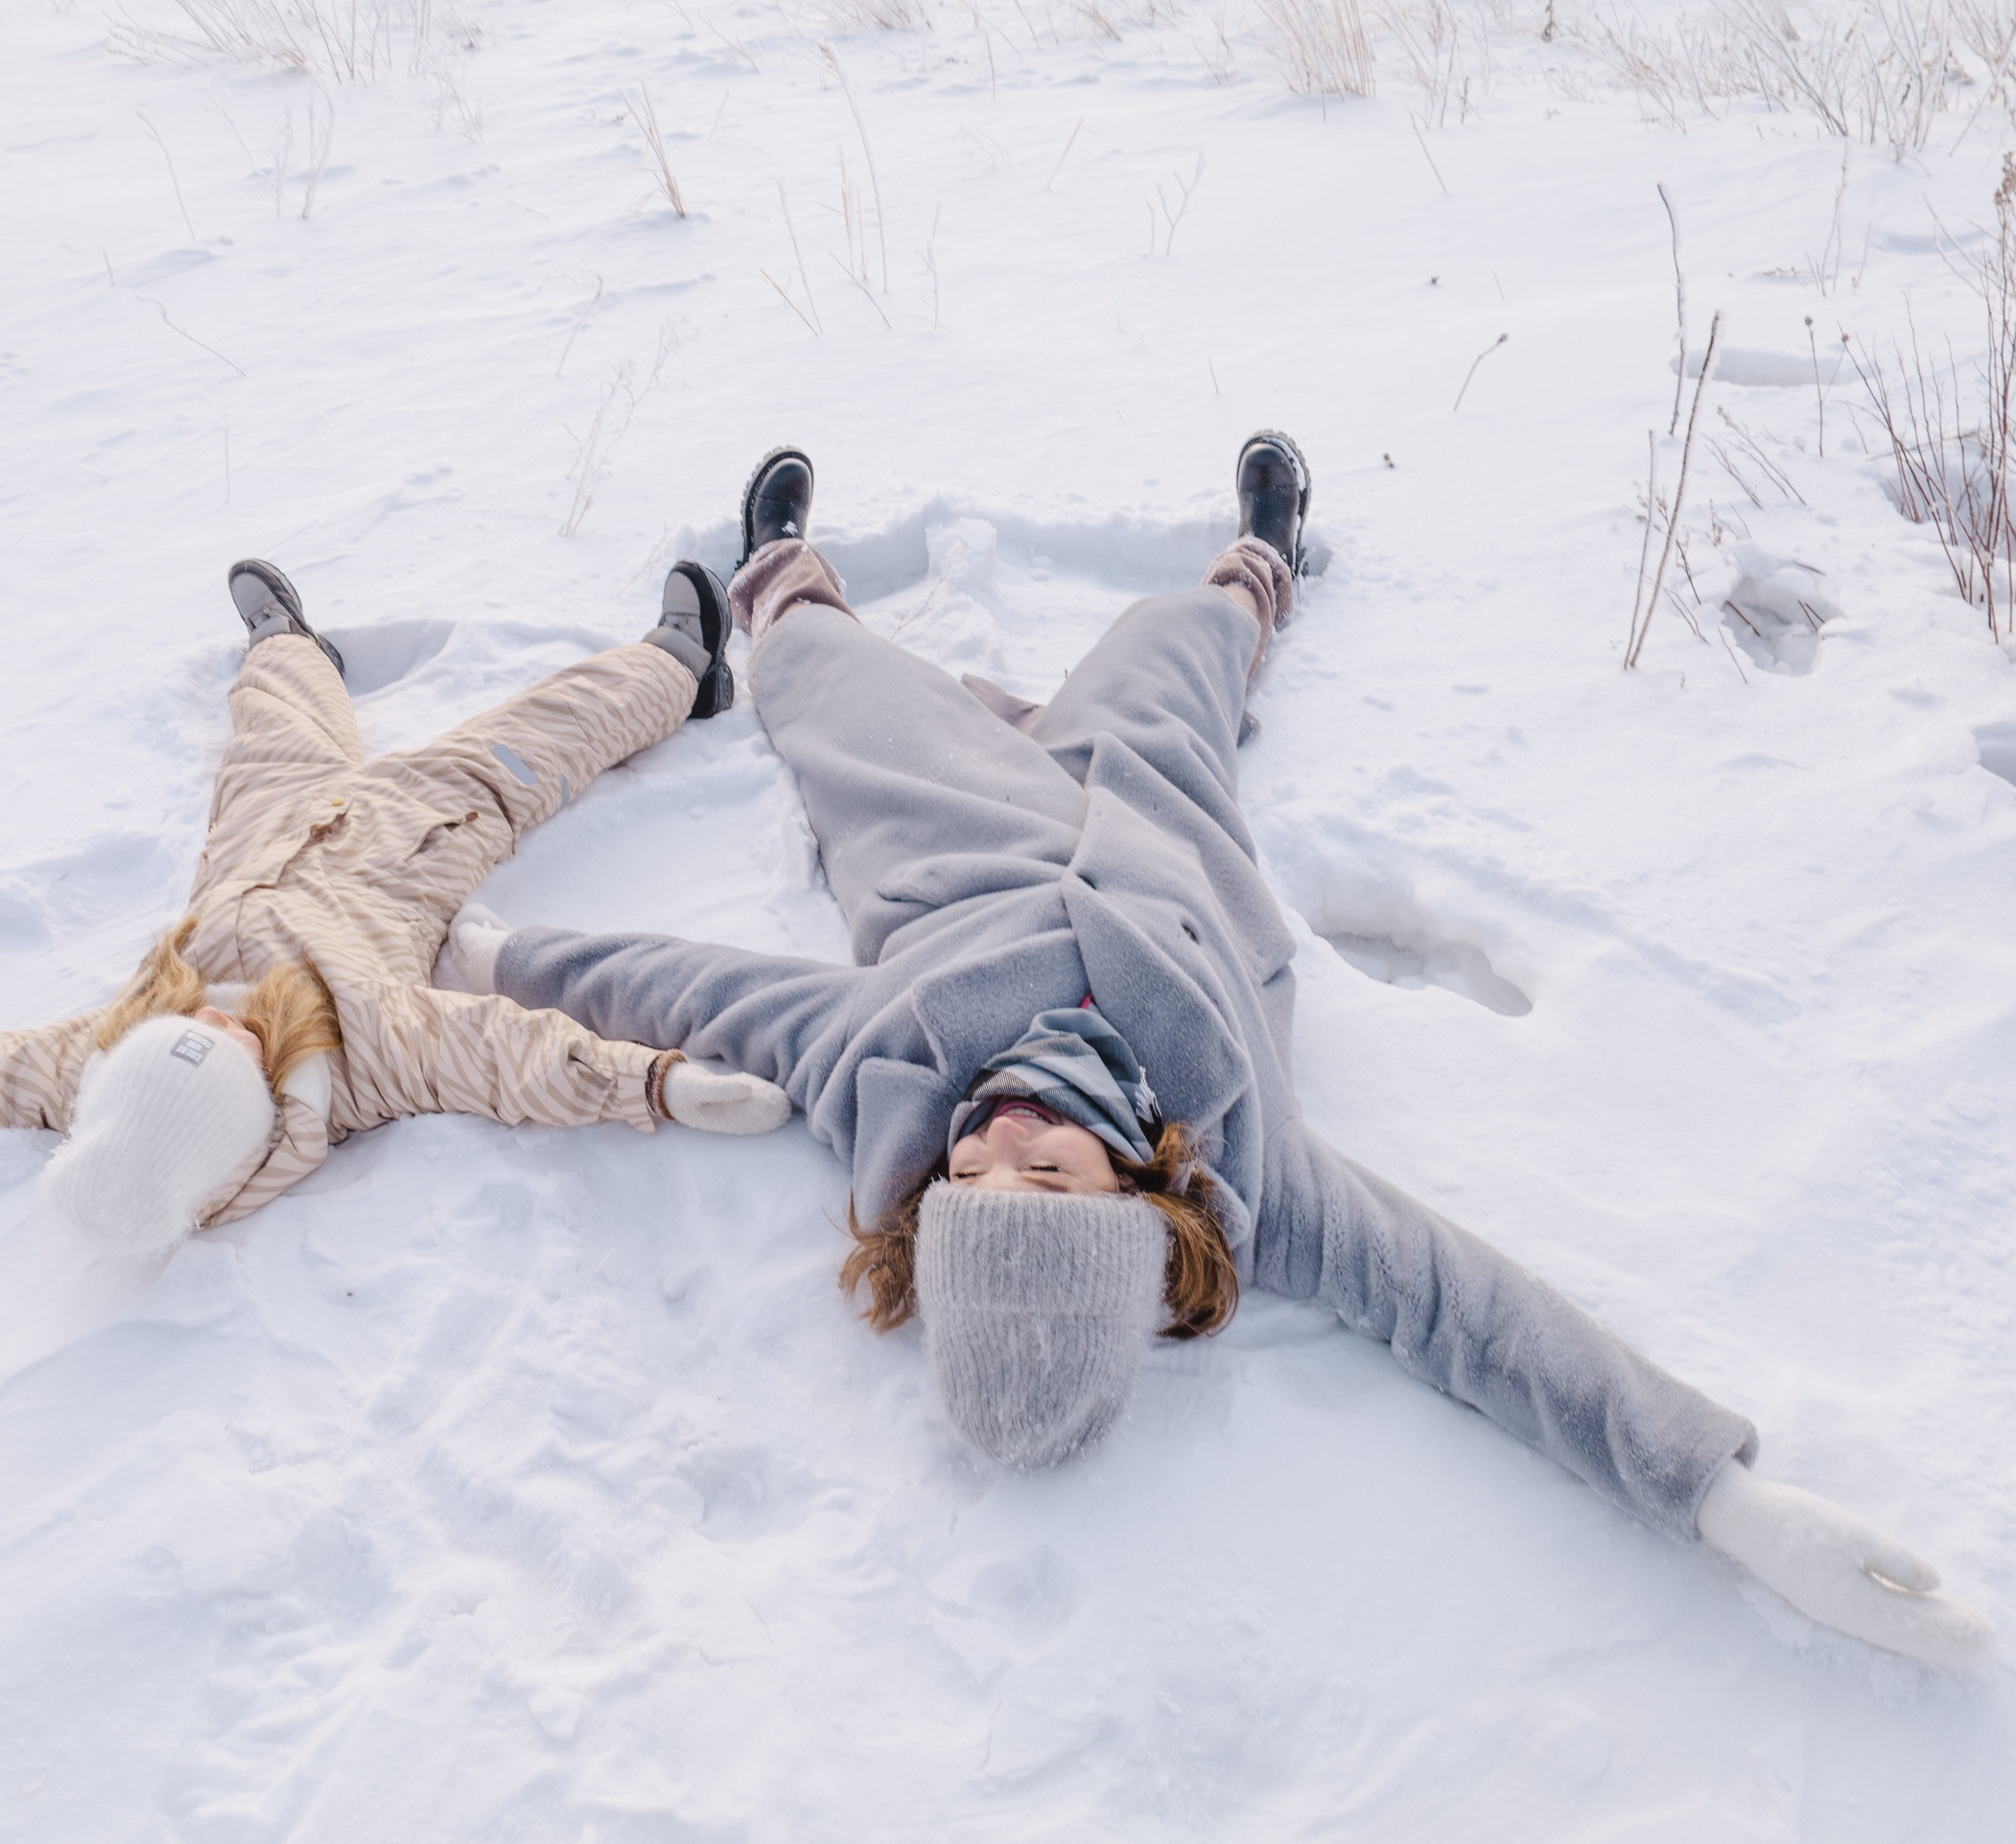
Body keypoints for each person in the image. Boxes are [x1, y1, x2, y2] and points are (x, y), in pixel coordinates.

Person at [448, 440, 1994, 1669]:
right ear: (1134, 1191)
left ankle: (782, 573)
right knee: (1178, 645)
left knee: (819, 682)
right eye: (1039, 1163)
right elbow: (1473, 1312)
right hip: (1155, 812)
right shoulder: (1254, 1169)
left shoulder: (891, 1068)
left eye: (971, 1169)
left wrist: (506, 959)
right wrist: (1719, 1494)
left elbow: (691, 990)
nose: (993, 1130)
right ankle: (1265, 554)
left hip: (936, 828)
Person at [0, 559, 789, 1249]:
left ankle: (287, 644)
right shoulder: (368, 1054)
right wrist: (663, 1086)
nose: (212, 1021)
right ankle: (679, 667)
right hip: (412, 839)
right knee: (530, 742)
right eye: (229, 1054)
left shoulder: (84, 1062)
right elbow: (512, 1060)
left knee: (273, 730)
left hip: (260, 836)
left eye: (174, 1036)